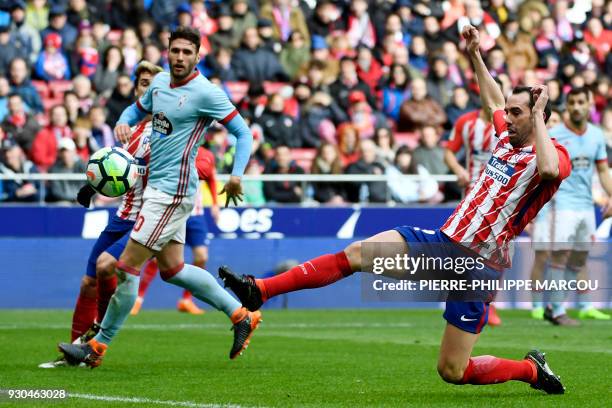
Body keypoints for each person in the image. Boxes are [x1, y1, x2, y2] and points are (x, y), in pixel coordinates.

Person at [220, 25, 570, 395]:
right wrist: (475, 55)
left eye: (519, 113)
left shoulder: (553, 156)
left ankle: (531, 371)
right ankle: (261, 290)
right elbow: (495, 102)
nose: (507, 118)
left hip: (479, 267)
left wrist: (541, 116)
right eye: (510, 113)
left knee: (453, 370)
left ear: (537, 117)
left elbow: (548, 170)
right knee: (356, 254)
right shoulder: (504, 137)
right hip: (442, 244)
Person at [58, 27, 258, 368]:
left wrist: (236, 174)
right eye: (175, 50)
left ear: (198, 56)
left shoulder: (206, 93)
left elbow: (242, 132)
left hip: (173, 192)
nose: (179, 57)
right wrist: (123, 120)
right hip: (155, 192)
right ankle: (241, 314)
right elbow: (136, 109)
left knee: (125, 266)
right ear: (168, 51)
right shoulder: (161, 83)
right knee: (173, 269)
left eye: (186, 52)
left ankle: (96, 347)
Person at [39, 61, 164, 368]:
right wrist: (91, 186)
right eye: (142, 84)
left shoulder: (169, 130)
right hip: (122, 214)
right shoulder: (132, 132)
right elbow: (116, 167)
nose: (146, 89)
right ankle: (74, 353)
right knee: (88, 282)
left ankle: (95, 342)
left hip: (148, 217)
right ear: (136, 91)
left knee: (107, 267)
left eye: (153, 84)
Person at [530, 87, 612, 324]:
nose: (576, 107)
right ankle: (556, 310)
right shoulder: (553, 134)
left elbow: (603, 171)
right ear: (567, 105)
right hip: (560, 204)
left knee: (579, 258)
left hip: (586, 205)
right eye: (572, 102)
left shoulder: (596, 136)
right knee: (560, 255)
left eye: (580, 102)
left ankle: (553, 306)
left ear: (589, 105)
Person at [131, 146, 221, 315]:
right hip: (174, 212)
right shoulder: (175, 148)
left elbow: (211, 178)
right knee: (158, 258)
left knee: (201, 256)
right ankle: (138, 298)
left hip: (196, 214)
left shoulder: (206, 154)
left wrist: (215, 204)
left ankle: (186, 300)